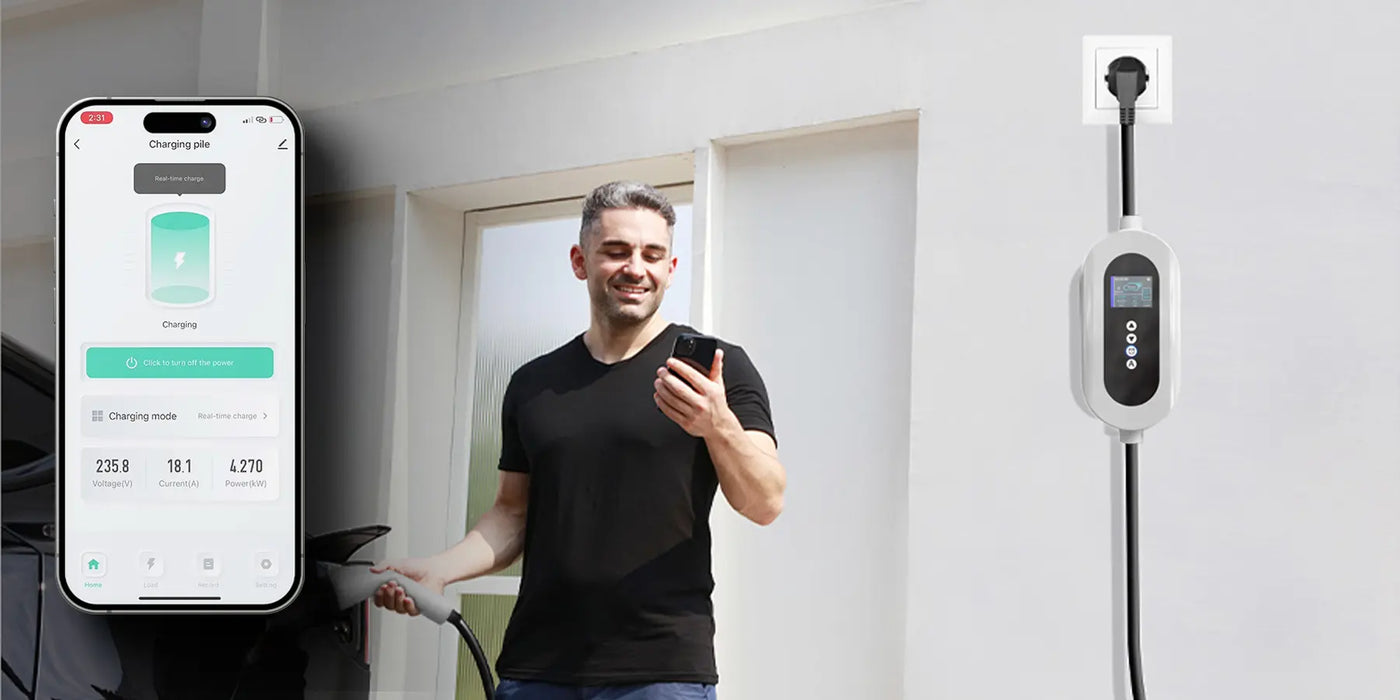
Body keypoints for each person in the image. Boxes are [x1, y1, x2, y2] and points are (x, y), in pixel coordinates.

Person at [371, 180, 786, 700]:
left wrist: (717, 424)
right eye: (616, 251)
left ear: (670, 269)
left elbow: (765, 501)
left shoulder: (717, 372)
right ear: (579, 261)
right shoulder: (533, 384)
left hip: (659, 673)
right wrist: (439, 570)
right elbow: (511, 514)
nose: (636, 268)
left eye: (652, 255)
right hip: (536, 671)